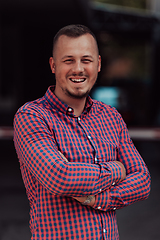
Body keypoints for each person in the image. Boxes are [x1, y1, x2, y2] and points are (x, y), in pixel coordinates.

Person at [14, 24, 151, 240]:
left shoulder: (111, 116)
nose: (78, 69)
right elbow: (60, 177)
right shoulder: (32, 117)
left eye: (86, 60)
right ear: (53, 65)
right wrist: (116, 170)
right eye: (68, 60)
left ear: (98, 65)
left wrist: (95, 199)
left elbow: (142, 181)